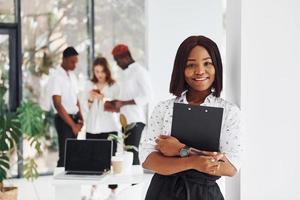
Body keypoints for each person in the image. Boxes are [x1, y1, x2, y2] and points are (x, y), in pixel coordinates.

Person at [142, 35, 242, 200]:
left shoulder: (228, 111)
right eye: (191, 65)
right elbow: (148, 160)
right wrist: (193, 161)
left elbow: (230, 167)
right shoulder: (164, 108)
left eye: (207, 63)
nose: (200, 71)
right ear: (181, 69)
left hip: (205, 194)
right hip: (163, 193)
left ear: (217, 66)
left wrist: (181, 150)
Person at [105, 44, 153, 165]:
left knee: (132, 154)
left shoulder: (140, 71)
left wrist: (123, 103)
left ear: (125, 57)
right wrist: (116, 103)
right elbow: (125, 97)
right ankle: (130, 183)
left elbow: (148, 96)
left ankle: (135, 184)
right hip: (125, 121)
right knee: (127, 155)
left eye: (117, 60)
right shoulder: (125, 73)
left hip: (135, 120)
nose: (117, 64)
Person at [84, 57, 120, 198]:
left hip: (109, 126)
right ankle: (94, 188)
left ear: (107, 71)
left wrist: (103, 98)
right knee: (93, 158)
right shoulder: (89, 85)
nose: (99, 74)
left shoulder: (114, 86)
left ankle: (113, 191)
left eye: (102, 71)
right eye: (96, 71)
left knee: (110, 158)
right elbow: (85, 107)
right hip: (92, 127)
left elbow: (117, 107)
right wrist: (91, 99)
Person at [49, 46, 83, 167]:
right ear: (64, 59)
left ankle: (72, 184)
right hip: (64, 120)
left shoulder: (72, 76)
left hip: (74, 118)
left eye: (76, 62)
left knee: (73, 154)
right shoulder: (56, 76)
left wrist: (81, 118)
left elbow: (76, 98)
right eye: (72, 62)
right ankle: (60, 185)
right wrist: (72, 125)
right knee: (64, 156)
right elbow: (57, 104)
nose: (74, 65)